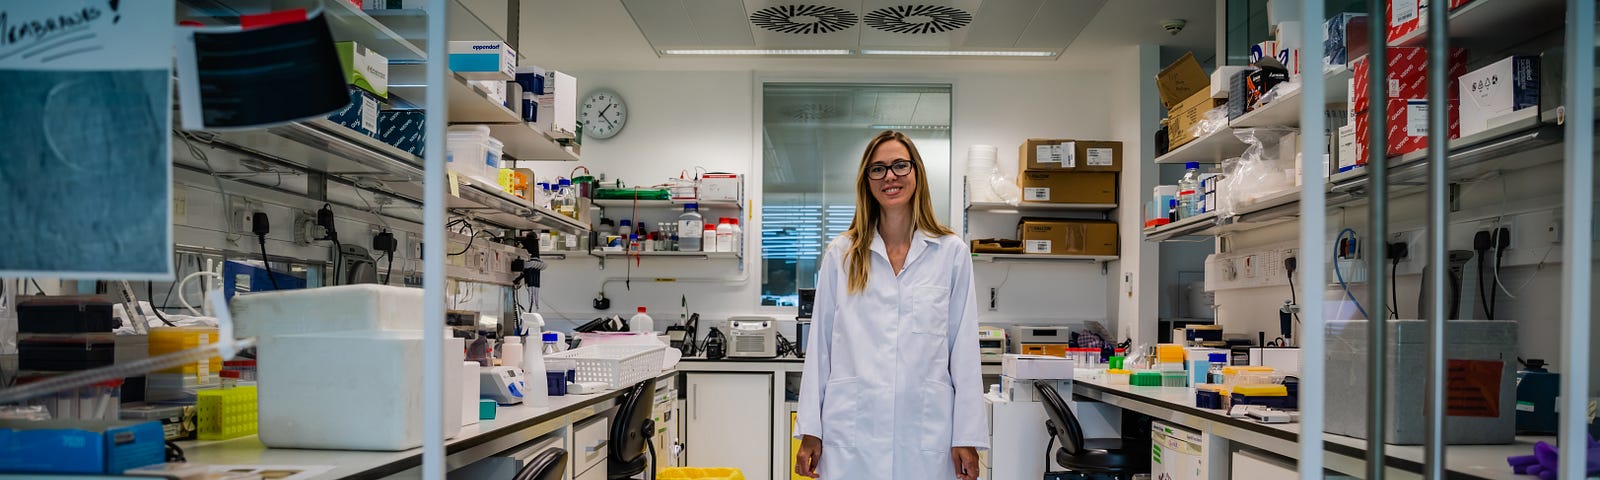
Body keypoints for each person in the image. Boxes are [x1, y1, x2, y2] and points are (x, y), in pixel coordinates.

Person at [793, 131, 986, 480]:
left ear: (917, 173)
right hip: (852, 430)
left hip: (926, 431)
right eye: (878, 169)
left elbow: (964, 351)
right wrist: (811, 429)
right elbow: (819, 349)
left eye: (899, 165)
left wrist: (967, 436)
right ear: (866, 181)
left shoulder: (950, 252)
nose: (890, 177)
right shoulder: (843, 254)